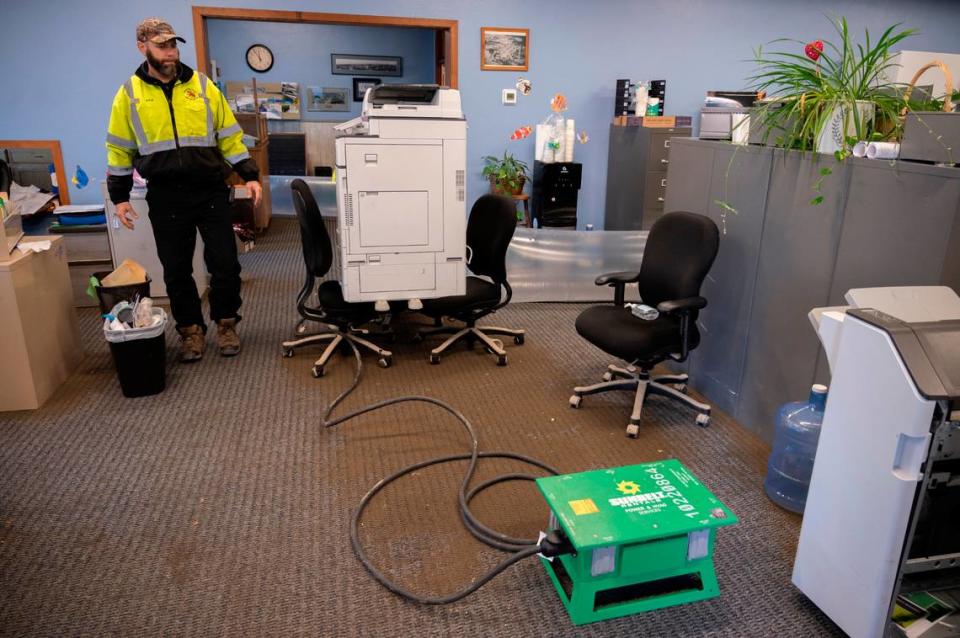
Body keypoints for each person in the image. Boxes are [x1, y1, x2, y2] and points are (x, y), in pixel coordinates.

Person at [105, 17, 262, 362]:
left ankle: (225, 324)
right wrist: (118, 197)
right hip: (165, 194)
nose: (171, 52)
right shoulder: (129, 94)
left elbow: (230, 137)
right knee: (176, 269)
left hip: (210, 190)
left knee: (224, 264)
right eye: (162, 46)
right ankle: (190, 332)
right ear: (142, 47)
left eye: (173, 45)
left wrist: (249, 173)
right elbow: (119, 148)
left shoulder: (203, 87)